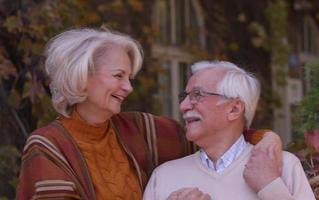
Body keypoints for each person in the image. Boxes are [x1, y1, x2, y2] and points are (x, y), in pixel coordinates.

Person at [16, 28, 282, 200]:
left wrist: (266, 139)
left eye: (129, 77)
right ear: (81, 77)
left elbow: (217, 134)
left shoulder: (141, 129)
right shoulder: (48, 145)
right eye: (118, 76)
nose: (128, 87)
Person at [143, 61, 315, 200]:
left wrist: (270, 187)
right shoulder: (164, 176)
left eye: (197, 95)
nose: (183, 106)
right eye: (184, 97)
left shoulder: (283, 166)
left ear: (234, 109)